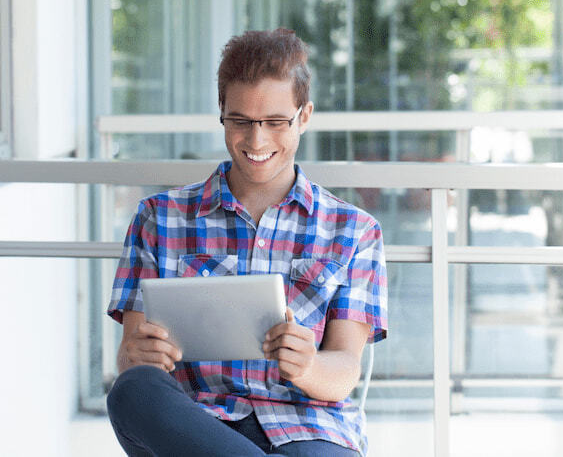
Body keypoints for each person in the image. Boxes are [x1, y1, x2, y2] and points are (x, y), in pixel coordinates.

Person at [106, 28, 388, 457]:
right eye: (240, 121)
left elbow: (345, 370)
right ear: (222, 112)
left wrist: (308, 365)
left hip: (311, 428)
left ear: (305, 116)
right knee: (132, 389)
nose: (256, 142)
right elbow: (133, 362)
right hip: (198, 426)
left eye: (275, 122)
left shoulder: (354, 231)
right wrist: (138, 355)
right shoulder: (158, 219)